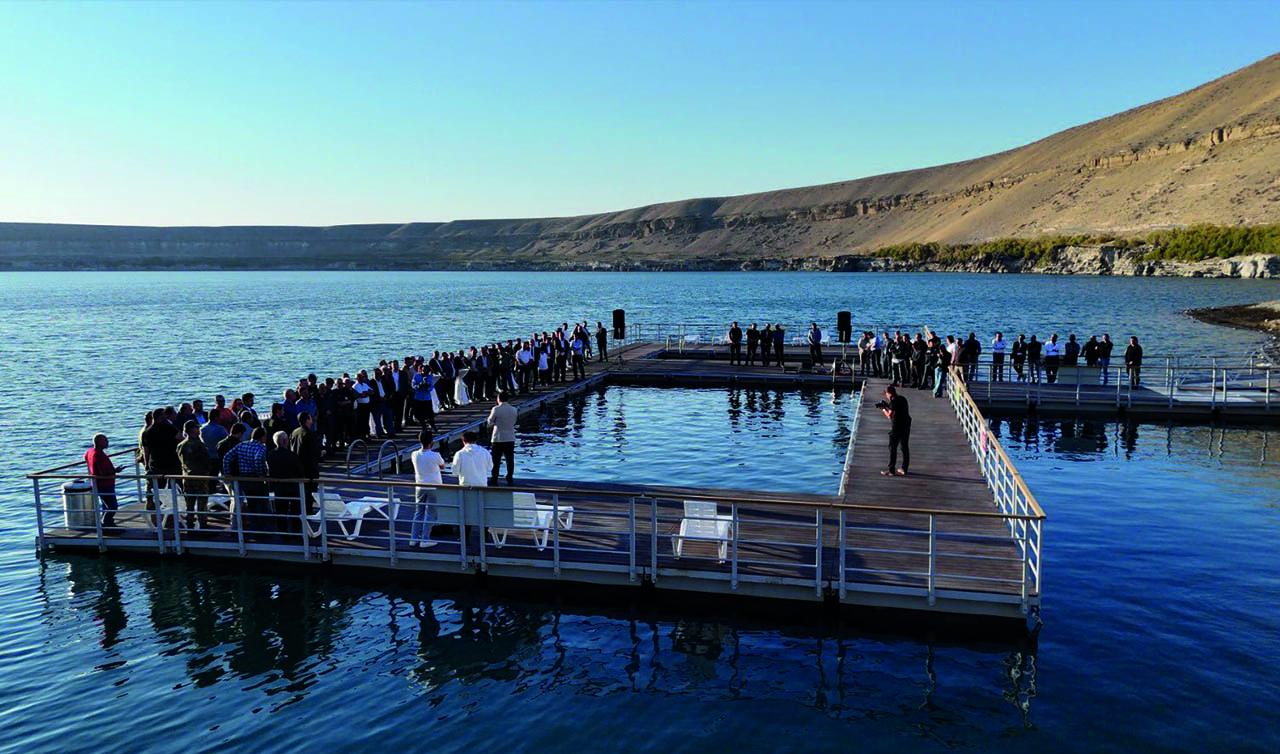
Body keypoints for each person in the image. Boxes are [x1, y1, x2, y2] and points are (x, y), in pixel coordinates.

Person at [223, 427, 270, 538]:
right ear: (262, 437)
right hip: (255, 478)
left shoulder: (242, 445)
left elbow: (227, 457)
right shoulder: (261, 447)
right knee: (261, 503)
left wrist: (227, 473)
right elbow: (258, 459)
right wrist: (261, 474)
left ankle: (254, 528)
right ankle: (261, 530)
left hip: (243, 478)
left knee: (251, 504)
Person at [410, 430, 446, 547]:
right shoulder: (436, 455)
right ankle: (425, 539)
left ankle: (413, 538)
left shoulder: (414, 454)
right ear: (431, 442)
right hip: (434, 487)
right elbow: (442, 466)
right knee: (431, 513)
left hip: (419, 486)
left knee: (418, 512)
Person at [176, 419, 212, 529]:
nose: (199, 429)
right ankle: (203, 526)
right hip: (200, 477)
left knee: (189, 505)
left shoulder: (180, 445)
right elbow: (206, 461)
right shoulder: (199, 445)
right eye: (197, 427)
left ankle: (190, 526)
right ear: (192, 430)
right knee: (202, 504)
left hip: (187, 478)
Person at [267, 430, 303, 536]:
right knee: (295, 510)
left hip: (278, 486)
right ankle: (296, 532)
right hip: (292, 486)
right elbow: (299, 471)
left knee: (280, 511)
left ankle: (283, 533)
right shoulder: (292, 455)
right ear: (285, 441)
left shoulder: (270, 454)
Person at [84, 434, 123, 529]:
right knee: (112, 506)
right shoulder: (98, 455)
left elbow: (87, 459)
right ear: (99, 442)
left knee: (106, 505)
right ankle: (106, 523)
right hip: (105, 484)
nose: (107, 442)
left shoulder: (90, 452)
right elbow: (103, 472)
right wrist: (115, 470)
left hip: (97, 483)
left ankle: (107, 524)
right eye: (105, 440)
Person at [290, 412, 323, 512]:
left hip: (297, 465)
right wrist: (321, 453)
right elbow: (314, 452)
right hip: (309, 467)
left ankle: (301, 511)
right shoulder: (309, 434)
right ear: (307, 420)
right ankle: (308, 511)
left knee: (301, 491)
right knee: (310, 492)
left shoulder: (294, 432)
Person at [486, 392, 518, 485]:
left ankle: (494, 478)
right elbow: (514, 421)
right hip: (510, 437)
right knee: (510, 459)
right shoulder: (514, 409)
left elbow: (490, 421)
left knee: (496, 460)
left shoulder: (496, 409)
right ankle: (509, 477)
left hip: (498, 437)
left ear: (498, 399)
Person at [879, 385, 911, 477]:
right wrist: (887, 405)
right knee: (904, 447)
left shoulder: (893, 401)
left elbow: (890, 415)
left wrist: (883, 409)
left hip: (897, 427)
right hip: (906, 425)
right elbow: (897, 409)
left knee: (892, 448)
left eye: (886, 394)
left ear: (889, 393)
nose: (886, 396)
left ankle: (891, 470)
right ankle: (904, 469)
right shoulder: (902, 398)